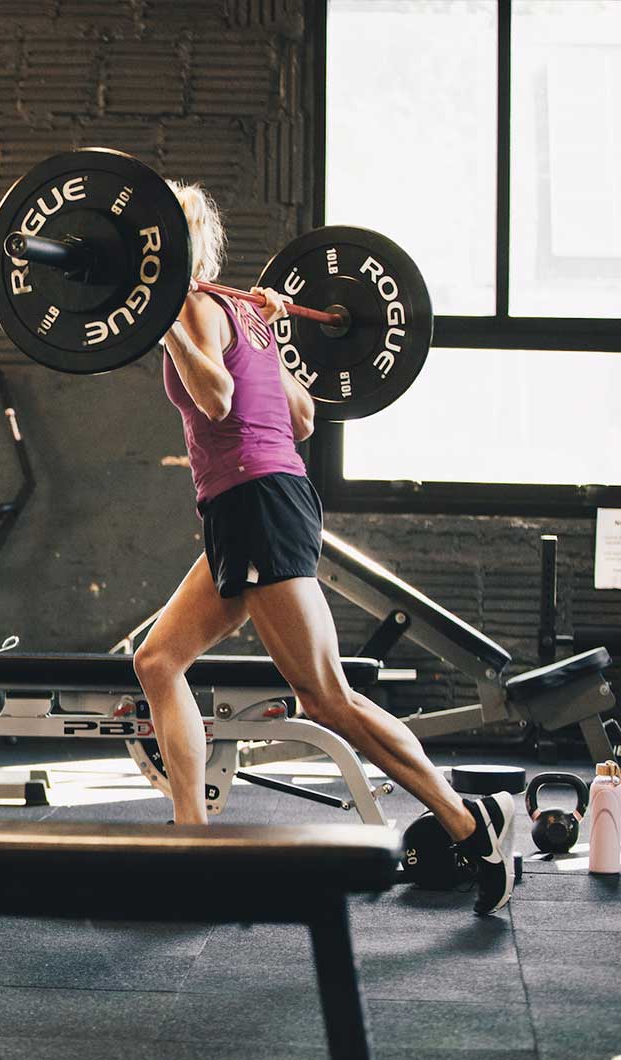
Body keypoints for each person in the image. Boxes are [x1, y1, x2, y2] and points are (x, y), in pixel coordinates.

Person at [133, 181, 518, 916]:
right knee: (157, 661)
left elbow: (214, 401)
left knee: (326, 696)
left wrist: (166, 327)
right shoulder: (246, 314)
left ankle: (470, 824)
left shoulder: (190, 309)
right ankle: (192, 845)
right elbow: (303, 416)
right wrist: (268, 341)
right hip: (255, 502)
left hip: (255, 501)